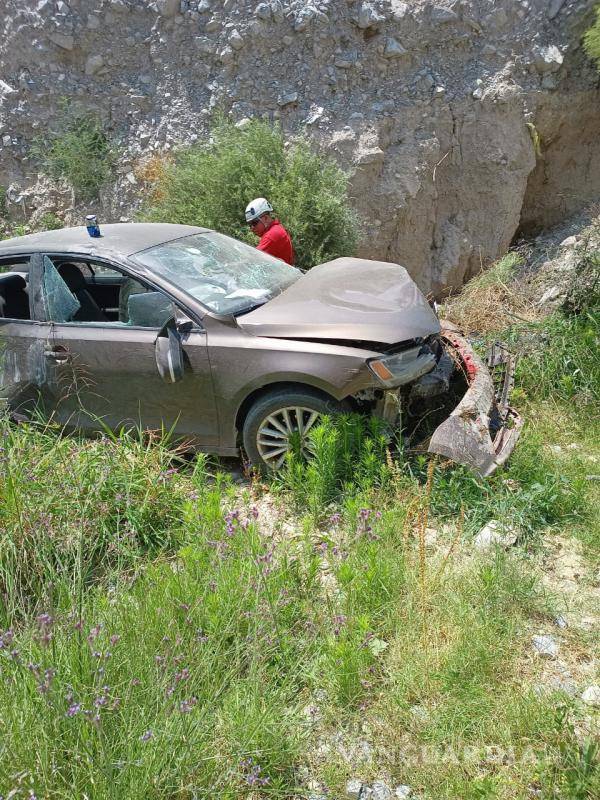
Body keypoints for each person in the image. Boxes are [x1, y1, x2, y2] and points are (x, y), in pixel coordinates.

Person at [244, 197, 295, 265]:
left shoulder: (272, 235)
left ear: (266, 218)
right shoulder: (276, 228)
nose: (252, 228)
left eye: (254, 223)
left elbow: (251, 261)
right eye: (250, 224)